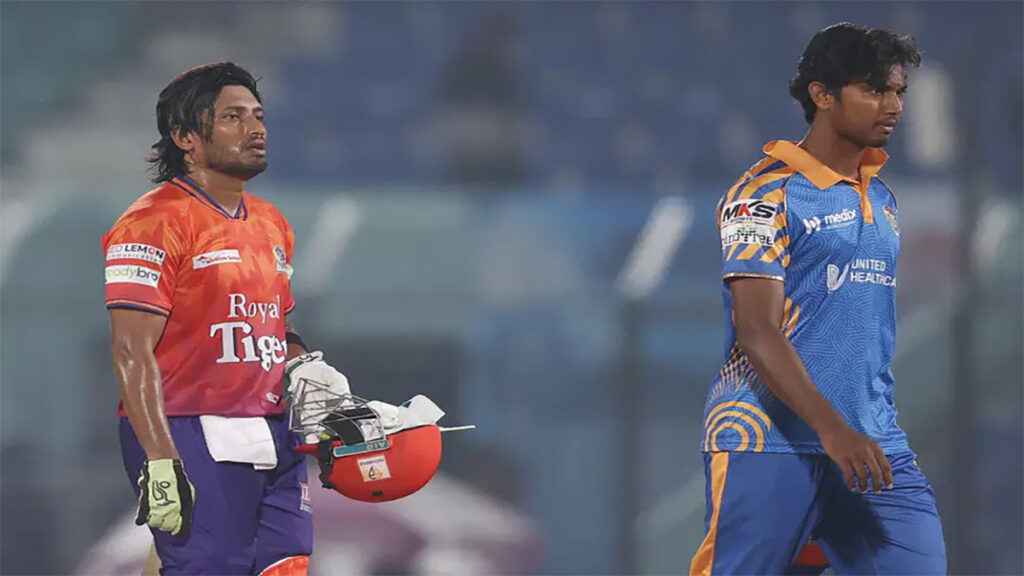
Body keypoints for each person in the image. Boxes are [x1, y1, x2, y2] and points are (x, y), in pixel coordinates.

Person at [690, 23, 946, 574]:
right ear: (822, 95)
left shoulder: (883, 197)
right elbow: (757, 330)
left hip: (873, 443)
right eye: (874, 89)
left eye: (898, 91)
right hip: (767, 441)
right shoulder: (761, 195)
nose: (893, 106)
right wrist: (832, 430)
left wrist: (853, 431)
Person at [103, 62, 350, 575]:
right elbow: (130, 348)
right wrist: (160, 457)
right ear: (185, 137)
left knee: (285, 565)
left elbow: (274, 328)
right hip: (188, 426)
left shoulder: (272, 223)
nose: (255, 128)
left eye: (258, 116)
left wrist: (309, 370)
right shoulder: (150, 222)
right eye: (233, 117)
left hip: (271, 428)